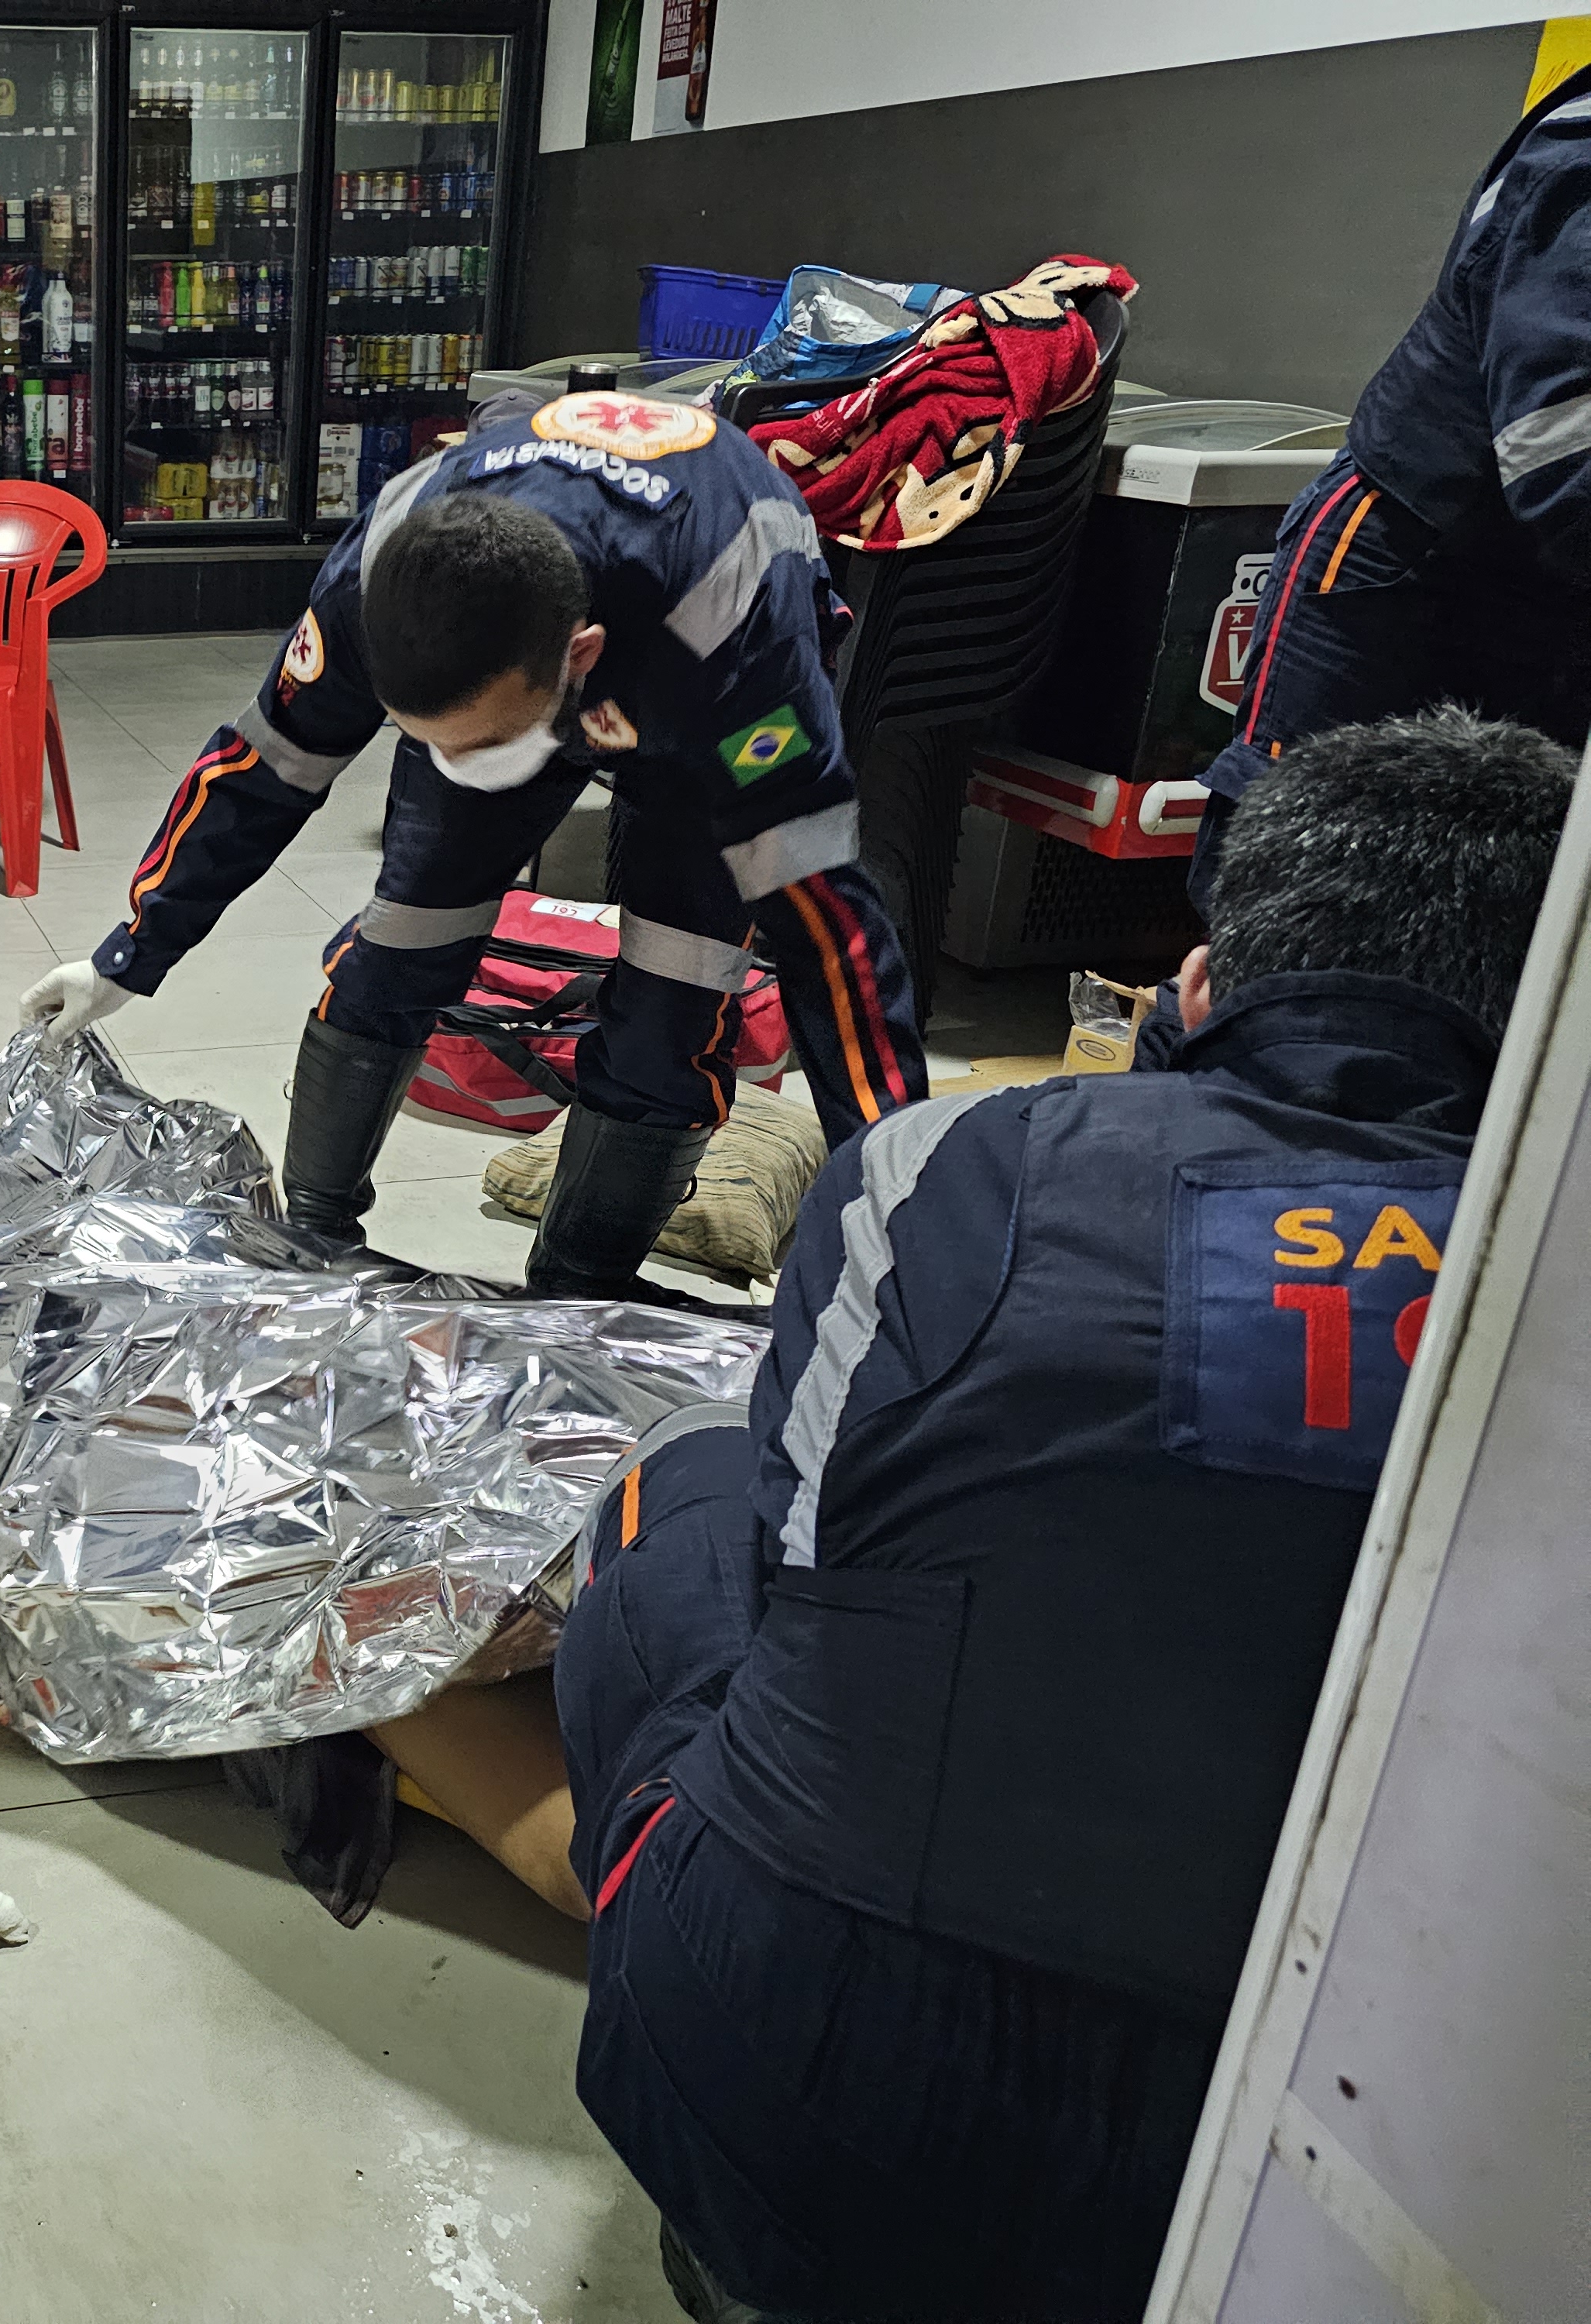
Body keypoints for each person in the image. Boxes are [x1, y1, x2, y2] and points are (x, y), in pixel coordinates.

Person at [369, 710, 1578, 2322]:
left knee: (698, 1489)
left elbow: (809, 1561)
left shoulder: (955, 1162)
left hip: (778, 2099)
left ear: (1200, 989)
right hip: (1365, 2214)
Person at [16, 392, 926, 1296]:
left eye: (479, 742)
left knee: (677, 998)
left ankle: (579, 1292)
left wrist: (897, 1184)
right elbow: (263, 769)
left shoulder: (737, 631)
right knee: (405, 936)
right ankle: (317, 1242)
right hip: (543, 654)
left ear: (580, 657)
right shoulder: (376, 574)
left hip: (693, 683)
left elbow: (831, 928)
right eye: (426, 738)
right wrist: (130, 955)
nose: (455, 765)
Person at [1191, 59, 1591, 903]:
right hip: (1406, 555)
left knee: (1496, 902)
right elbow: (1560, 453)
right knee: (1293, 882)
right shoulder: (1581, 149)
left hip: (1552, 594)